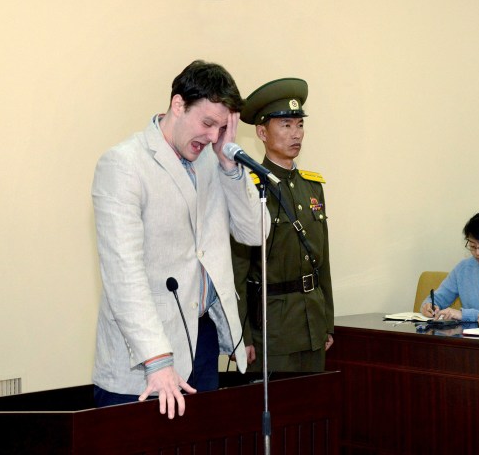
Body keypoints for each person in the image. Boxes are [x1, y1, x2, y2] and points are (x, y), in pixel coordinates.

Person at [91, 60, 265, 418]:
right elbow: (124, 276)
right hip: (142, 357)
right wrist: (157, 360)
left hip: (201, 342)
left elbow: (253, 232)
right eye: (207, 123)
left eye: (222, 127)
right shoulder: (123, 165)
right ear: (178, 104)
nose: (214, 136)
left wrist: (231, 168)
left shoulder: (214, 160)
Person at [231, 78, 333, 372]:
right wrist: (242, 336)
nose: (296, 133)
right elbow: (238, 270)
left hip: (311, 324)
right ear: (262, 132)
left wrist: (326, 321)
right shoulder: (248, 189)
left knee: (314, 409)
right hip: (271, 330)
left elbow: (323, 262)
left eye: (299, 124)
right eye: (286, 125)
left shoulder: (312, 187)